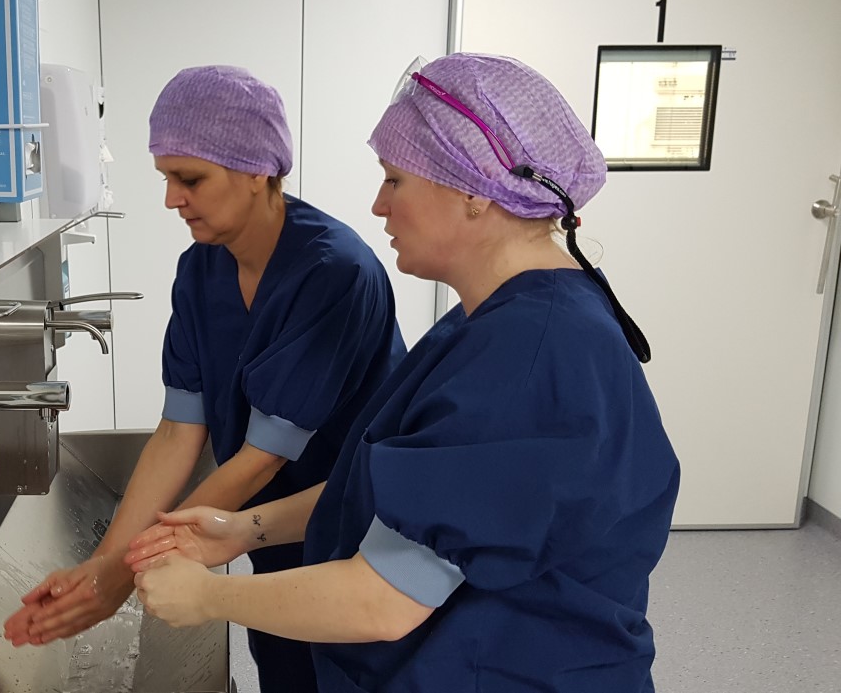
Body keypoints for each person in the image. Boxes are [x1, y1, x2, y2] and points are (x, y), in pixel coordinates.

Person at [125, 53, 681, 693]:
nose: (378, 205)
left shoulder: (529, 357)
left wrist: (207, 598)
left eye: (395, 180)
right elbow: (400, 500)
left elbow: (383, 601)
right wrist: (243, 529)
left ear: (473, 190)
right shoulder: (498, 322)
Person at [3, 65, 405, 693]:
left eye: (190, 179)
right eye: (166, 178)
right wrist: (103, 566)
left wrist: (121, 577)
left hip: (352, 539)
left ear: (258, 171)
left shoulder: (334, 273)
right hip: (263, 539)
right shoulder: (200, 271)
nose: (171, 199)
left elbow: (261, 459)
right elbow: (176, 434)